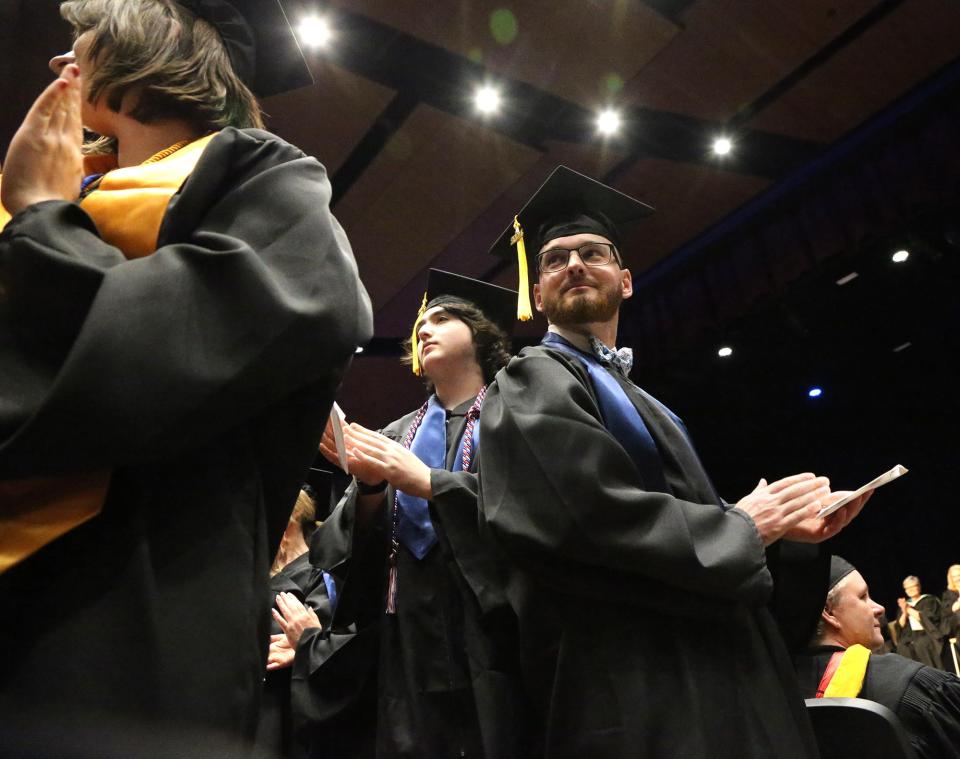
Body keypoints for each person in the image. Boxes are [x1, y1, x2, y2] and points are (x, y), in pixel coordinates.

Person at [0, 0, 372, 746]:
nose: (57, 62)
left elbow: (164, 353)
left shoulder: (262, 176)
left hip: (123, 622)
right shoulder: (72, 189)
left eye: (87, 35)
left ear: (154, 40)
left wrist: (41, 222)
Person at [477, 165, 873, 758]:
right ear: (537, 294)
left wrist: (788, 538)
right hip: (636, 683)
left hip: (713, 673)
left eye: (593, 252)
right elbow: (581, 517)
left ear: (627, 280)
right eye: (555, 259)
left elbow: (700, 545)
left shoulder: (647, 403)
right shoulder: (530, 381)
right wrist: (740, 528)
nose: (575, 264)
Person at [288, 270, 527, 759]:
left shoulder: (517, 414)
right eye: (421, 324)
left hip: (492, 627)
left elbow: (534, 509)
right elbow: (361, 554)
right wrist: (371, 485)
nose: (425, 329)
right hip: (408, 636)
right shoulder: (397, 434)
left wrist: (430, 483)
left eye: (442, 318)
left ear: (480, 333)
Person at [795, 556, 960, 759]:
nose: (879, 608)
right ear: (828, 612)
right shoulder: (910, 685)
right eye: (863, 596)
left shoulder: (782, 696)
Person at [897, 575, 947, 669]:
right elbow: (900, 625)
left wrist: (908, 609)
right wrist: (904, 612)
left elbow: (928, 619)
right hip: (911, 635)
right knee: (902, 646)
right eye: (907, 588)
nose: (910, 590)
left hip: (927, 633)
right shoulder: (905, 604)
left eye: (913, 586)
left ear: (919, 586)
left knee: (922, 644)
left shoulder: (929, 600)